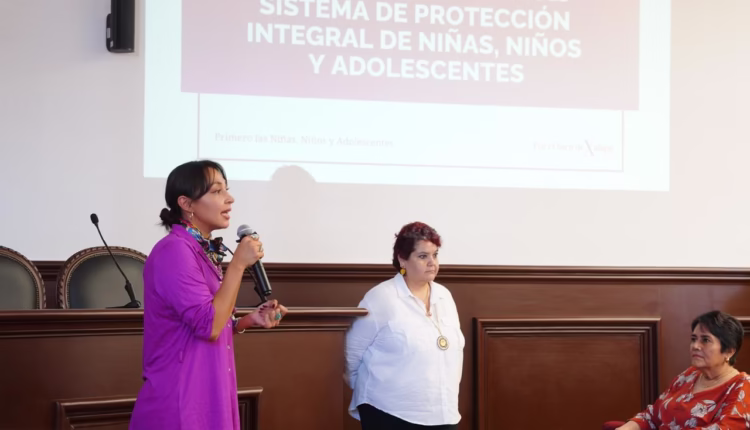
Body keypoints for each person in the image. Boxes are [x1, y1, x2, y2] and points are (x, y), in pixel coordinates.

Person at [130, 160, 288, 430]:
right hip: (183, 396)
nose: (229, 198)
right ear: (186, 203)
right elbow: (209, 326)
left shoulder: (199, 250)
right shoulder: (174, 250)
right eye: (216, 191)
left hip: (209, 388)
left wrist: (246, 321)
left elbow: (204, 320)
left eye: (226, 189)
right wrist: (238, 264)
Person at [345, 222, 465, 430]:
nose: (432, 263)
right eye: (423, 256)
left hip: (443, 412)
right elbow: (351, 355)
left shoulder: (444, 296)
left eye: (435, 255)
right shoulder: (381, 297)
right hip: (389, 411)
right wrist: (372, 391)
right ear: (402, 259)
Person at [617, 310, 750, 430]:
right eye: (693, 339)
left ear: (729, 351)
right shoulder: (689, 375)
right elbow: (652, 415)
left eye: (705, 340)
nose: (695, 346)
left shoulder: (742, 387)